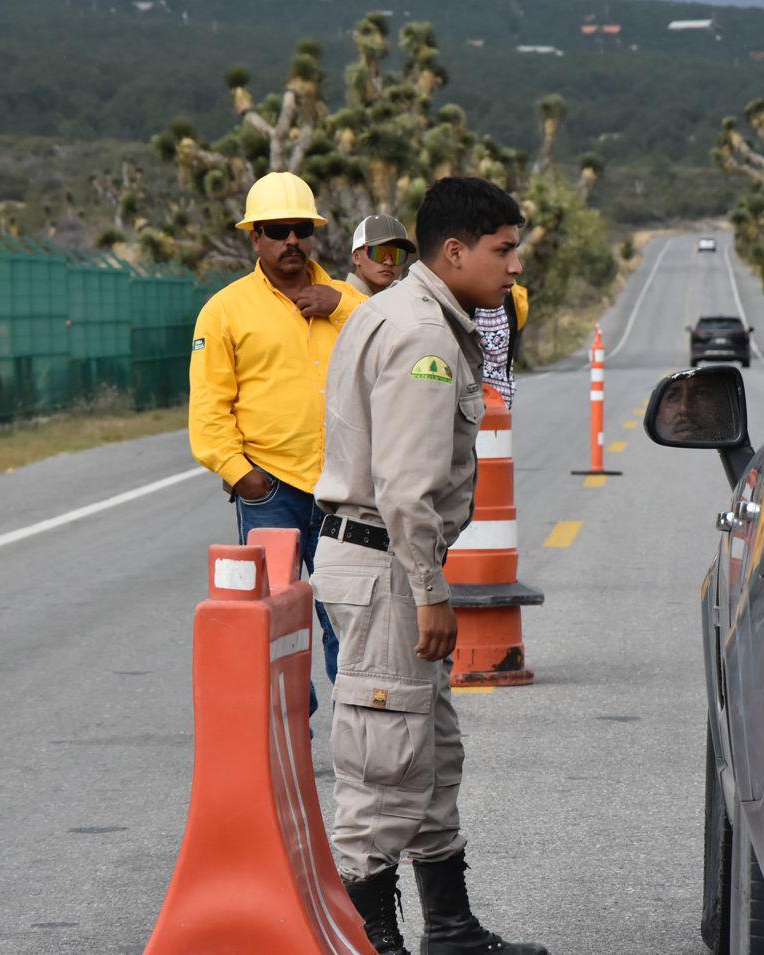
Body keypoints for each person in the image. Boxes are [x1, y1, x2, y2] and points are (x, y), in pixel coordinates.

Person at [313, 177, 547, 955]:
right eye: (503, 249)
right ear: (454, 251)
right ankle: (368, 939)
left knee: (429, 754)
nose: (514, 267)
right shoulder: (421, 336)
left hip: (386, 561)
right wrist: (433, 593)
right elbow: (408, 490)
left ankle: (449, 926)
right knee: (385, 767)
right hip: (389, 567)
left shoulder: (403, 312)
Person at [188, 171, 364, 708]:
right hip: (272, 490)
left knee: (347, 614)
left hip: (344, 485)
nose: (291, 241)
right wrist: (245, 477)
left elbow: (393, 338)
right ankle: (290, 724)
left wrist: (338, 305)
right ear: (254, 238)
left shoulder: (347, 302)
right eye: (276, 229)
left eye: (300, 229)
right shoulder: (225, 311)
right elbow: (209, 411)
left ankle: (355, 725)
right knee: (277, 618)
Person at [474, 282, 528, 407]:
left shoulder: (503, 290)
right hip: (497, 399)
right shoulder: (510, 289)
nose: (517, 269)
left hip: (487, 401)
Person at [345, 213, 416, 296]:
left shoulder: (389, 303)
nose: (389, 262)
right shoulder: (337, 302)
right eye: (379, 253)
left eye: (398, 255)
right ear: (356, 257)